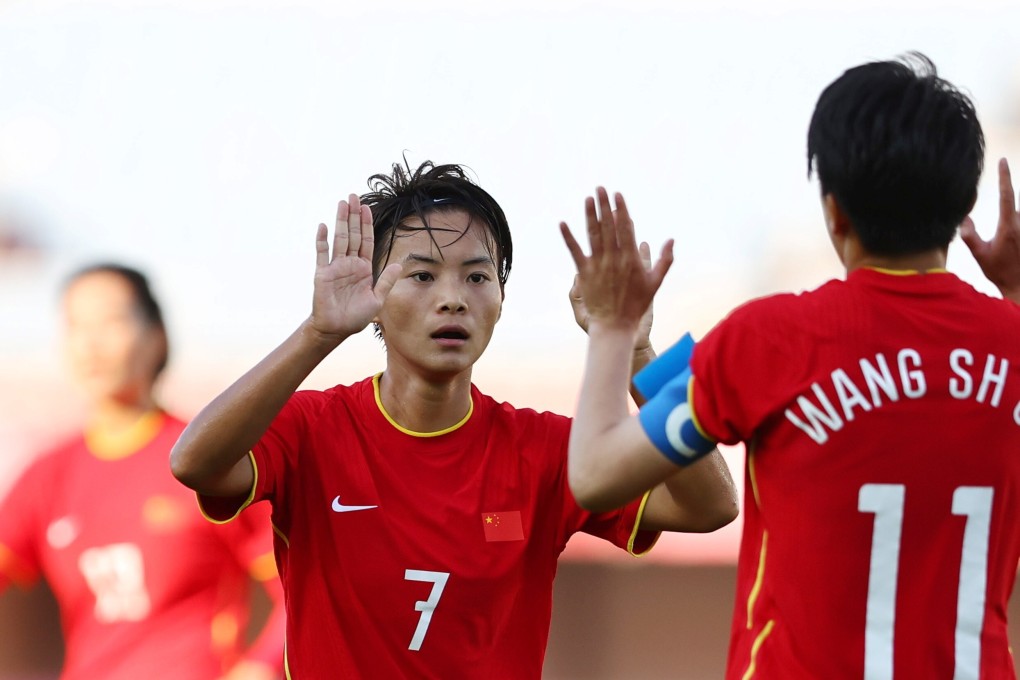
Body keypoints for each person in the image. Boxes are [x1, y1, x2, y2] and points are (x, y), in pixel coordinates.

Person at [169, 160, 738, 678]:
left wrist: (639, 348)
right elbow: (192, 461)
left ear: (500, 296)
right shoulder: (312, 426)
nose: (453, 299)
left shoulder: (542, 447)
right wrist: (318, 334)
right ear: (374, 293)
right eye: (422, 276)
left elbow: (713, 505)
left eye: (476, 276)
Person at [561, 52, 1020, 679]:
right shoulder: (1010, 344)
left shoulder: (771, 338)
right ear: (962, 204)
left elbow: (593, 473)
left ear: (833, 209)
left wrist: (616, 333)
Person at [0, 263, 286, 680]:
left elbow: (301, 590)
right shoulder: (47, 475)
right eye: (76, 325)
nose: (91, 344)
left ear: (157, 338)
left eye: (112, 322)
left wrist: (260, 667)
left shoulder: (205, 462)